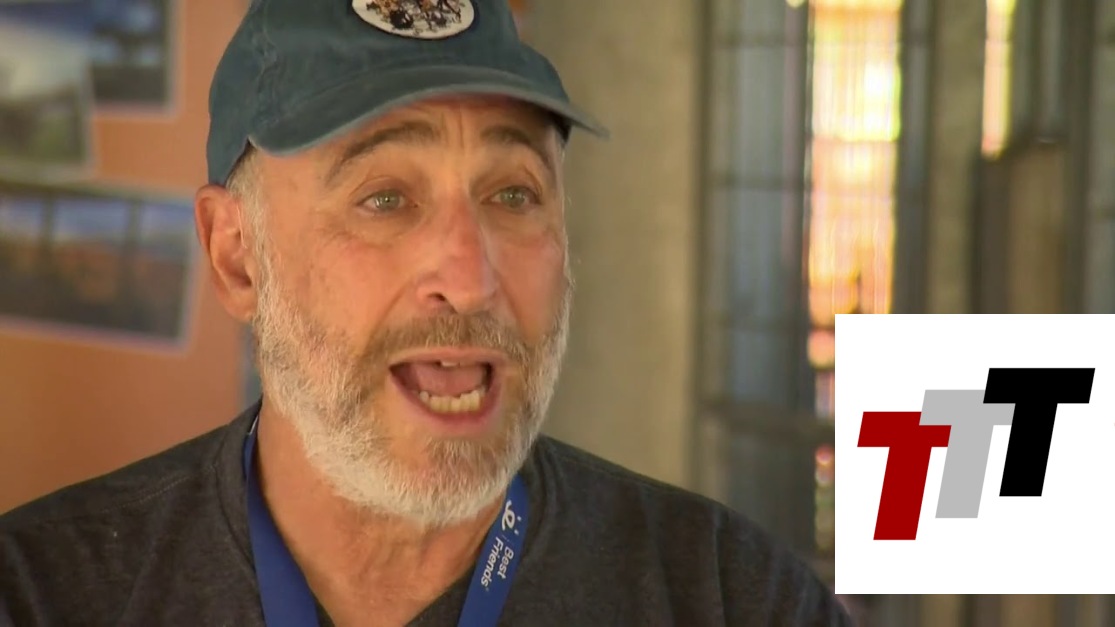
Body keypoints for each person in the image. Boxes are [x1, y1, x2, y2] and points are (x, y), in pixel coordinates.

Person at [0, 1, 853, 625]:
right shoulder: (45, 595)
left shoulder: (732, 598)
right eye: (384, 198)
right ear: (235, 255)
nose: (470, 279)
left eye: (513, 193)